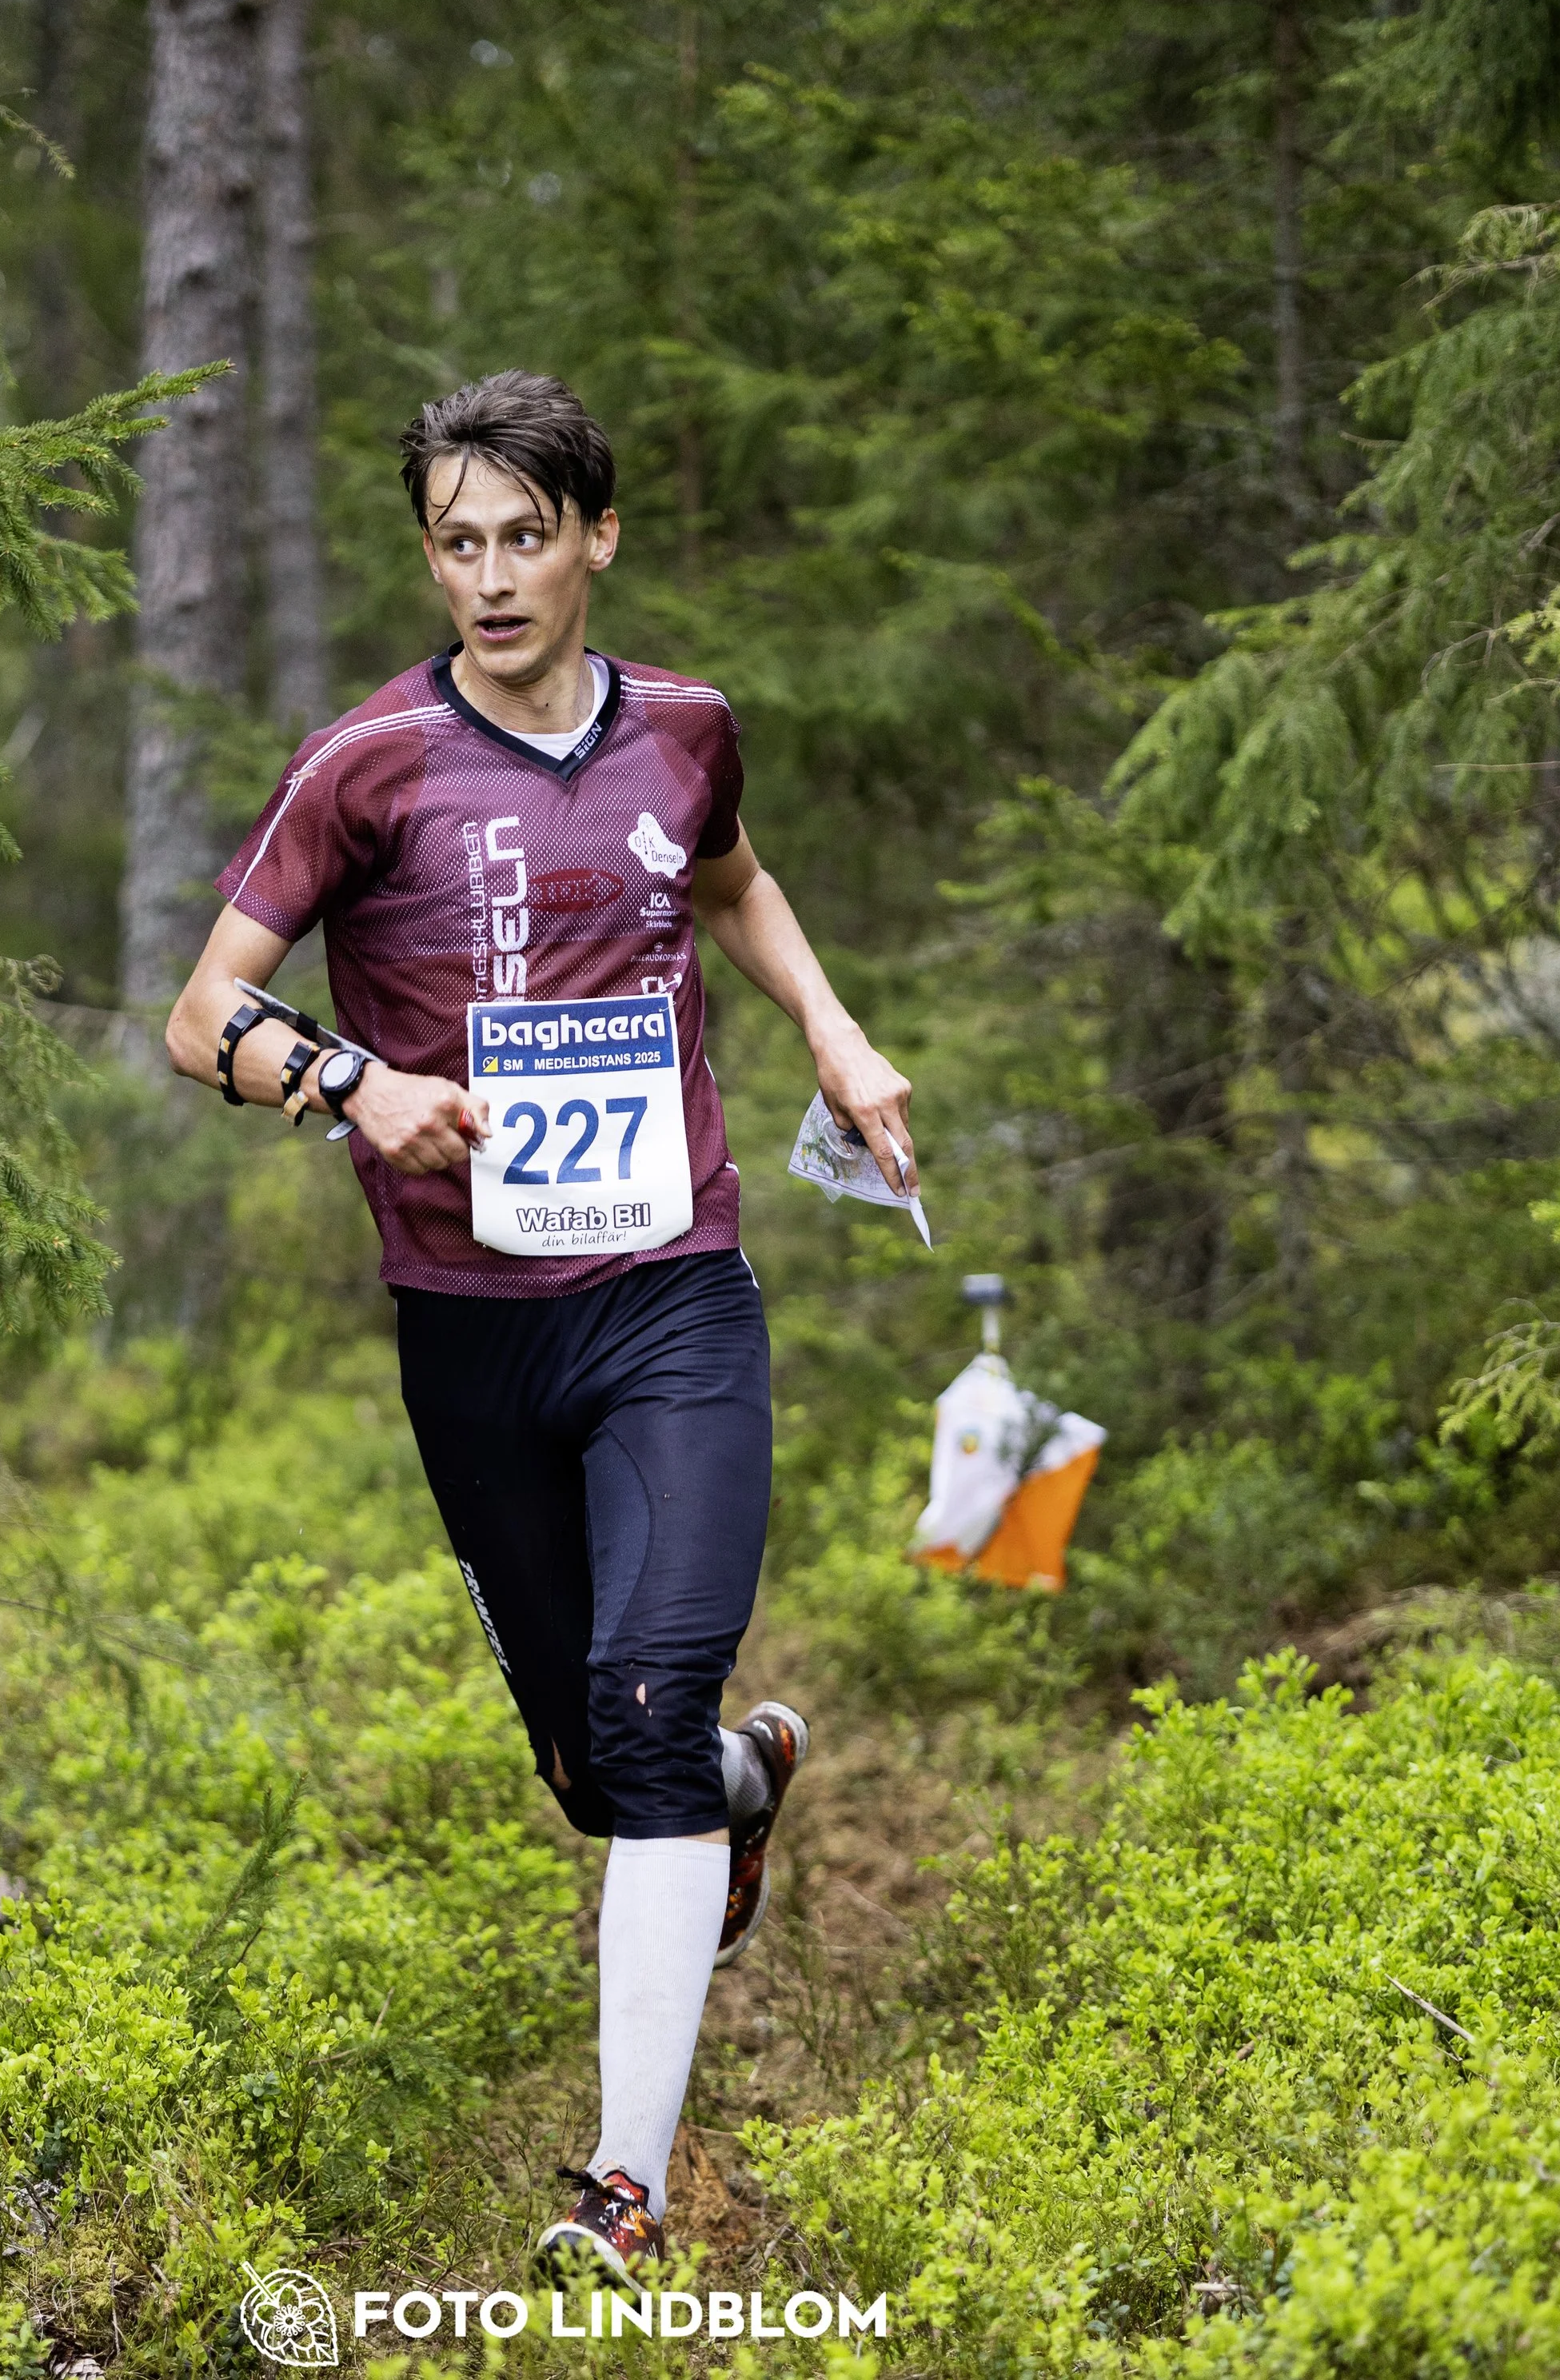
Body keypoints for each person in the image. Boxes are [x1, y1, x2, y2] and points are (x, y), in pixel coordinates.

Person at [165, 370, 916, 2289]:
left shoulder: (685, 730)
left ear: (593, 537)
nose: (489, 576)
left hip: (672, 1293)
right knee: (599, 1768)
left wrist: (828, 1031)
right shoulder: (364, 765)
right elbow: (200, 1017)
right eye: (454, 542)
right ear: (429, 555)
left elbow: (733, 879)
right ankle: (735, 1797)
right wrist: (349, 1081)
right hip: (469, 1327)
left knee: (644, 1707)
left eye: (522, 535)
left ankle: (620, 2183)